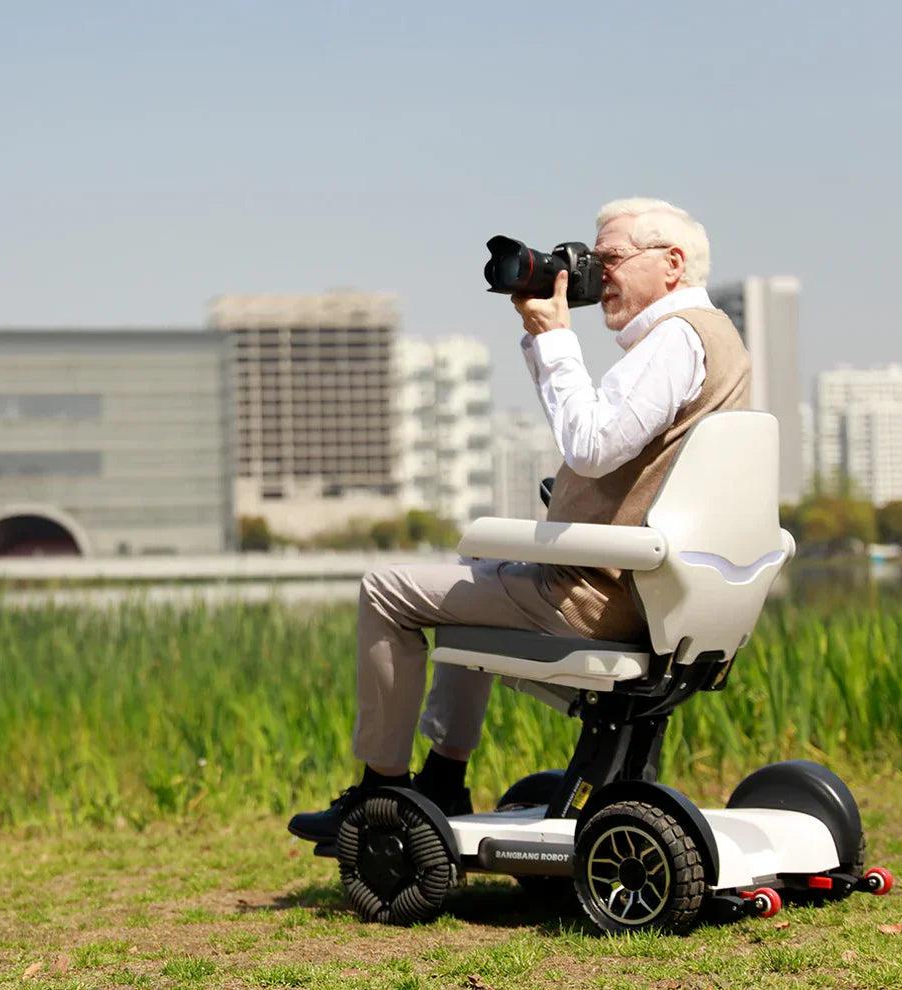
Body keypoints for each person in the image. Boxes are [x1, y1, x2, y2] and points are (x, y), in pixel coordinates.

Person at [288, 198, 750, 842]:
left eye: (609, 258)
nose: (595, 274)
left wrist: (554, 337)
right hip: (650, 594)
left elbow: (589, 445)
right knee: (470, 576)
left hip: (593, 598)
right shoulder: (719, 338)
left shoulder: (673, 341)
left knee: (385, 590)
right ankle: (444, 780)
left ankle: (382, 793)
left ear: (672, 263)